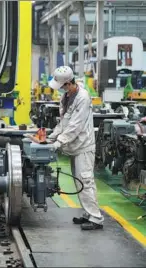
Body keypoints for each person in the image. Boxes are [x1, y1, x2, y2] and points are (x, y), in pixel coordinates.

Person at [47, 66, 104, 230]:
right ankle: (87, 214)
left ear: (68, 83)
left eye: (61, 87)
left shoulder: (83, 98)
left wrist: (60, 141)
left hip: (83, 146)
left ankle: (96, 218)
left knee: (85, 181)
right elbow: (64, 122)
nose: (60, 90)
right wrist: (52, 136)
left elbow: (75, 126)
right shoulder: (66, 97)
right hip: (74, 146)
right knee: (79, 182)